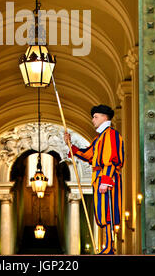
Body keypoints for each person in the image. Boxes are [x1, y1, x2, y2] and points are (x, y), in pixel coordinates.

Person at [64, 104, 124, 255]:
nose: (93, 120)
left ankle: (110, 247)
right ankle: (107, 245)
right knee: (102, 213)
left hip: (107, 178)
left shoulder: (111, 135)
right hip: (99, 179)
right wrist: (70, 145)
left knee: (108, 212)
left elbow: (112, 159)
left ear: (105, 118)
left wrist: (106, 180)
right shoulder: (99, 138)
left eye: (95, 117)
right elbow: (89, 155)